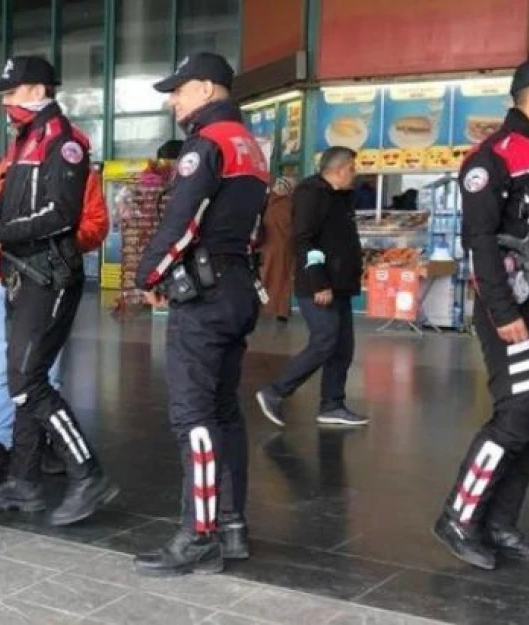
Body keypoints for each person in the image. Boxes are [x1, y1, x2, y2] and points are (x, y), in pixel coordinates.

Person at [0, 55, 118, 526]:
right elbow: (4, 204)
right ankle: (24, 482)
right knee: (19, 383)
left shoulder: (64, 142)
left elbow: (62, 215)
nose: (5, 104)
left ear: (36, 91)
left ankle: (87, 474)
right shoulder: (25, 141)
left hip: (47, 276)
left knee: (29, 381)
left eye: (10, 94)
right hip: (21, 273)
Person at [131, 53, 268, 577]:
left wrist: (147, 277)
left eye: (180, 90)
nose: (173, 99)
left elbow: (181, 224)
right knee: (224, 412)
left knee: (193, 419)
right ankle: (231, 526)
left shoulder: (205, 144)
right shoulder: (248, 145)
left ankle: (199, 536)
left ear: (208, 89)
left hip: (203, 296)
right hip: (235, 287)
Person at [433, 58, 529, 571]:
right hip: (510, 310)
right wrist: (501, 309)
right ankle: (459, 516)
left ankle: (499, 523)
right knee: (518, 413)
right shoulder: (493, 157)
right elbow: (480, 244)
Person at [0, 155, 110, 479]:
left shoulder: (75, 169)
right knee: (5, 368)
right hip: (7, 280)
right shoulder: (7, 166)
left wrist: (55, 246)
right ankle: (2, 442)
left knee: (43, 368)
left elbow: (96, 223)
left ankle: (42, 440)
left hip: (47, 284)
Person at [255, 149, 368, 428]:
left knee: (343, 348)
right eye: (352, 168)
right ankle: (275, 391)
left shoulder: (340, 197)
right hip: (318, 285)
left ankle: (332, 404)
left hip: (340, 284)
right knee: (325, 341)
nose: (355, 174)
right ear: (340, 169)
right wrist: (319, 280)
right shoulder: (312, 194)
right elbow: (304, 239)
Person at [259, 177, 296, 321]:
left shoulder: (266, 202)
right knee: (282, 280)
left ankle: (264, 305)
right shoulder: (290, 205)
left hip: (265, 246)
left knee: (264, 278)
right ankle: (280, 310)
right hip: (284, 248)